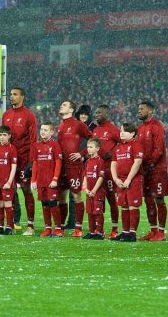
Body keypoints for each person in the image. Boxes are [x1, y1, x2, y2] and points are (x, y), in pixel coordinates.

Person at [1, 87, 38, 235]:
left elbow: (33, 140)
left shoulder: (29, 115)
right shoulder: (6, 115)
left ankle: (30, 226)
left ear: (22, 97)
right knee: (9, 190)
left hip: (23, 160)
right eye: (10, 94)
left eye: (15, 94)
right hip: (9, 160)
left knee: (26, 190)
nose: (12, 97)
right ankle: (11, 224)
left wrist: (31, 162)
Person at [56, 100, 92, 237]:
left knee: (76, 195)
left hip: (74, 166)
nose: (61, 106)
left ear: (71, 110)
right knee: (61, 197)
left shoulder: (78, 125)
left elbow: (92, 139)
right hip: (62, 165)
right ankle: (60, 227)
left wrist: (82, 154)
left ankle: (78, 228)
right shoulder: (60, 126)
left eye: (64, 105)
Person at [137, 101, 168, 242]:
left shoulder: (157, 126)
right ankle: (153, 230)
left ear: (150, 111)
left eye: (142, 109)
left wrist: (149, 164)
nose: (139, 111)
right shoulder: (140, 128)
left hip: (157, 170)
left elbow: (159, 149)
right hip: (145, 170)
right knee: (148, 200)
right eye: (139, 109)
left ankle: (161, 232)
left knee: (158, 198)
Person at [110, 123, 144, 242]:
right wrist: (116, 179)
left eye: (124, 131)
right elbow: (113, 164)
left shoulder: (136, 145)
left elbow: (138, 162)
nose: (121, 133)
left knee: (132, 205)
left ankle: (132, 233)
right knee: (124, 206)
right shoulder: (118, 147)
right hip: (120, 180)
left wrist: (129, 179)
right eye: (121, 131)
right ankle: (125, 232)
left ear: (133, 133)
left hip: (134, 179)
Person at [92, 104, 121, 238]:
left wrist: (113, 153)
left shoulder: (113, 129)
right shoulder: (96, 130)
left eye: (99, 113)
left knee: (111, 199)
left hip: (109, 170)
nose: (96, 114)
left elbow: (123, 143)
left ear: (106, 114)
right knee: (98, 199)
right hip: (97, 170)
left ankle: (115, 229)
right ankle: (99, 229)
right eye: (96, 113)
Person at [31, 121, 63, 237]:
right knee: (44, 204)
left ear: (51, 132)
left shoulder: (55, 145)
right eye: (41, 129)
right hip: (41, 181)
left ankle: (58, 229)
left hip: (51, 181)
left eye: (45, 130)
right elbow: (35, 163)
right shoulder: (37, 146)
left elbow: (58, 163)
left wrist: (55, 179)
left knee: (53, 203)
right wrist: (33, 180)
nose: (42, 132)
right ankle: (48, 228)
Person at [0, 126, 18, 235]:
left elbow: (14, 167)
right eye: (0, 135)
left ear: (9, 136)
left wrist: (9, 182)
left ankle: (10, 228)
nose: (2, 137)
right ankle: (0, 226)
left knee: (8, 204)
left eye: (4, 135)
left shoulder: (12, 149)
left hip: (7, 183)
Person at [82, 138, 106, 239]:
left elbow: (101, 177)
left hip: (98, 192)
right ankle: (92, 232)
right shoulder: (87, 162)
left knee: (97, 212)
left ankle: (99, 232)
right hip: (89, 192)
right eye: (88, 147)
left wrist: (94, 190)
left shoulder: (100, 161)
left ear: (97, 148)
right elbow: (85, 176)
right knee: (90, 211)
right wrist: (85, 189)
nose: (89, 149)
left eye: (91, 147)